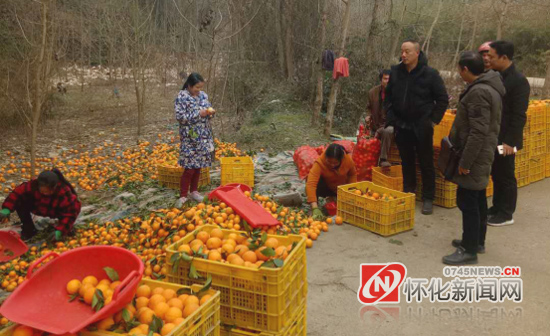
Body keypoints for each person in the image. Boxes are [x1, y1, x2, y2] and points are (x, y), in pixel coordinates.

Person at [442, 52, 505, 265]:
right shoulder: (489, 87)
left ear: (465, 69)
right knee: (477, 199)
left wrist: (465, 162)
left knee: (467, 201)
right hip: (481, 152)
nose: (460, 74)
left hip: (475, 155)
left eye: (460, 70)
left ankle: (469, 250)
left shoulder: (479, 92)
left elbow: (478, 132)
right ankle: (477, 241)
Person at [384, 39, 449, 215]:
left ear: (417, 53)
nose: (403, 55)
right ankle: (409, 192)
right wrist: (391, 118)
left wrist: (432, 120)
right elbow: (388, 97)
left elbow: (442, 99)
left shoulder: (430, 74)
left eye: (407, 52)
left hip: (422, 126)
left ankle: (428, 198)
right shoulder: (396, 72)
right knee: (406, 162)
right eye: (402, 51)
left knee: (426, 162)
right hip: (401, 124)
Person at [486, 41, 530, 226]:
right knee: (496, 173)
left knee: (506, 174)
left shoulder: (518, 81)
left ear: (504, 58)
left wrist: (510, 142)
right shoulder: (496, 75)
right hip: (495, 135)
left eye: (492, 56)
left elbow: (519, 115)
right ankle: (497, 206)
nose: (488, 59)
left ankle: (506, 213)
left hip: (507, 140)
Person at [0, 169, 81, 241]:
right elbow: (17, 193)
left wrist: (61, 230)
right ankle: (29, 230)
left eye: (47, 192)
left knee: (66, 223)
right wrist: (7, 208)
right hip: (39, 207)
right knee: (20, 201)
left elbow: (71, 211)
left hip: (55, 211)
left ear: (54, 187)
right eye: (42, 191)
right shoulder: (33, 185)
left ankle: (65, 229)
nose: (44, 193)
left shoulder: (64, 192)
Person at [174, 73, 215, 207]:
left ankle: (194, 191)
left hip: (203, 135)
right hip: (190, 137)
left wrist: (210, 113)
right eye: (197, 87)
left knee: (198, 166)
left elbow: (207, 113)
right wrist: (198, 114)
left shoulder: (203, 96)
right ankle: (183, 195)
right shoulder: (182, 97)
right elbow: (180, 117)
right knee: (189, 167)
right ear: (189, 85)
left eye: (200, 87)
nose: (199, 90)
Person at [306, 144, 357, 220]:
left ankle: (333, 197)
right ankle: (314, 206)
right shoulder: (320, 163)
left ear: (341, 159)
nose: (332, 165)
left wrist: (351, 191)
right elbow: (311, 184)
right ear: (326, 157)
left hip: (340, 188)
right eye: (329, 162)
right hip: (326, 187)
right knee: (310, 179)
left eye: (335, 163)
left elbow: (352, 174)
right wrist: (314, 207)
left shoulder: (347, 160)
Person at [366, 69, 393, 167]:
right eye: (385, 79)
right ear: (381, 80)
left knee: (388, 130)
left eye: (390, 79)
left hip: (390, 125)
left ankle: (383, 159)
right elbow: (368, 107)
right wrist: (368, 116)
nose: (388, 81)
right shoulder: (372, 92)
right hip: (376, 124)